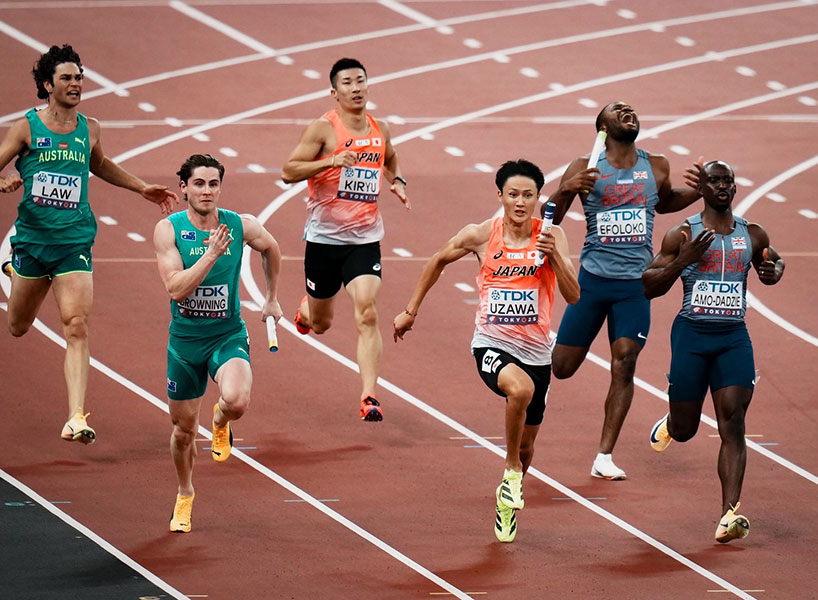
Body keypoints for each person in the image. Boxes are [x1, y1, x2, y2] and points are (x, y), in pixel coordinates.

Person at [393, 159, 580, 543]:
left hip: (537, 353)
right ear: (500, 196)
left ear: (538, 198)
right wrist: (411, 311)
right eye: (513, 194)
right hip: (491, 345)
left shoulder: (552, 236)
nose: (520, 202)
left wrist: (554, 256)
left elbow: (574, 295)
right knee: (520, 390)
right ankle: (510, 469)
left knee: (529, 443)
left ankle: (507, 496)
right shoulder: (481, 235)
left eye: (528, 195)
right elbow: (437, 260)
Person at [0, 44, 177, 444]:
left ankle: (76, 416)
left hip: (75, 240)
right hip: (32, 241)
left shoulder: (90, 127)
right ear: (47, 85)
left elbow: (98, 163)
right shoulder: (27, 128)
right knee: (17, 327)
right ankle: (13, 270)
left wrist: (141, 188)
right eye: (66, 78)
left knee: (76, 326)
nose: (76, 83)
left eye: (79, 77)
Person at [546, 100, 701, 480]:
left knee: (625, 360)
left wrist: (697, 195)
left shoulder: (657, 165)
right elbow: (550, 218)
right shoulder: (585, 167)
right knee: (562, 369)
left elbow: (665, 203)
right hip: (593, 281)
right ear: (602, 127)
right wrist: (567, 189)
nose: (628, 111)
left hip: (636, 285)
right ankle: (542, 368)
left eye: (631, 109)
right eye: (618, 110)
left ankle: (604, 456)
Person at [642, 160, 784, 543]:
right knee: (687, 429)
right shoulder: (681, 234)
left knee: (733, 419)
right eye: (714, 181)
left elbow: (772, 261)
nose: (722, 186)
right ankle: (672, 424)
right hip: (691, 335)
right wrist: (684, 262)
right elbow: (648, 285)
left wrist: (775, 271)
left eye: (728, 181)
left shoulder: (752, 233)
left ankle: (729, 514)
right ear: (701, 188)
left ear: (734, 189)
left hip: (733, 337)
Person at [153, 154, 282, 533]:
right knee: (183, 431)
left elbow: (271, 249)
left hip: (226, 334)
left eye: (213, 184)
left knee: (238, 401)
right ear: (184, 188)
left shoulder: (239, 225)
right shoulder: (169, 230)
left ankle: (221, 419)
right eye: (198, 184)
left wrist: (271, 297)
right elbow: (175, 289)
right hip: (185, 344)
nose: (206, 191)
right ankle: (185, 493)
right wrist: (211, 254)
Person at [281, 57, 408, 422]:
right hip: (323, 240)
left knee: (367, 312)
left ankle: (369, 395)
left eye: (361, 81)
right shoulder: (323, 129)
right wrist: (332, 161)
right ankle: (307, 311)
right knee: (321, 324)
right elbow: (289, 170)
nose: (356, 88)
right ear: (334, 92)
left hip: (365, 238)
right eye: (348, 83)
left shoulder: (380, 128)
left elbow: (391, 157)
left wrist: (398, 181)